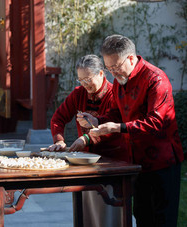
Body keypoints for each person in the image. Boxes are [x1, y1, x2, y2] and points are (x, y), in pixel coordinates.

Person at [77, 34, 184, 227]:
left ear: (132, 58)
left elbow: (156, 122)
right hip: (136, 162)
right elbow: (116, 113)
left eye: (117, 66)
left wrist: (119, 128)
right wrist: (97, 120)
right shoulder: (120, 80)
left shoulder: (156, 79)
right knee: (142, 217)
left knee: (162, 221)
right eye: (109, 69)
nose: (114, 73)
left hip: (163, 162)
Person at [48, 54, 129, 227]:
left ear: (101, 73)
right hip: (85, 164)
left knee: (110, 213)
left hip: (113, 163)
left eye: (88, 79)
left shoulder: (115, 93)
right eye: (81, 80)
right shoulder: (79, 94)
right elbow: (58, 118)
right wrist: (60, 140)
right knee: (86, 212)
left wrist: (86, 138)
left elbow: (113, 126)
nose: (84, 84)